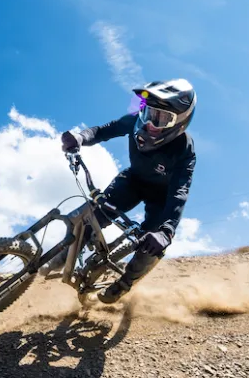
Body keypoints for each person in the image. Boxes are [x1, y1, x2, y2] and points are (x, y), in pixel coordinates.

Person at [60, 78, 197, 303]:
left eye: (162, 118)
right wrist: (80, 137)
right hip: (133, 180)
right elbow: (105, 130)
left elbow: (179, 191)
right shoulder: (135, 122)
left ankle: (125, 283)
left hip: (161, 198)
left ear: (180, 122)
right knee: (88, 217)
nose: (151, 122)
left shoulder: (185, 149)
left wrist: (166, 231)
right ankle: (63, 257)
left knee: (152, 244)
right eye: (148, 113)